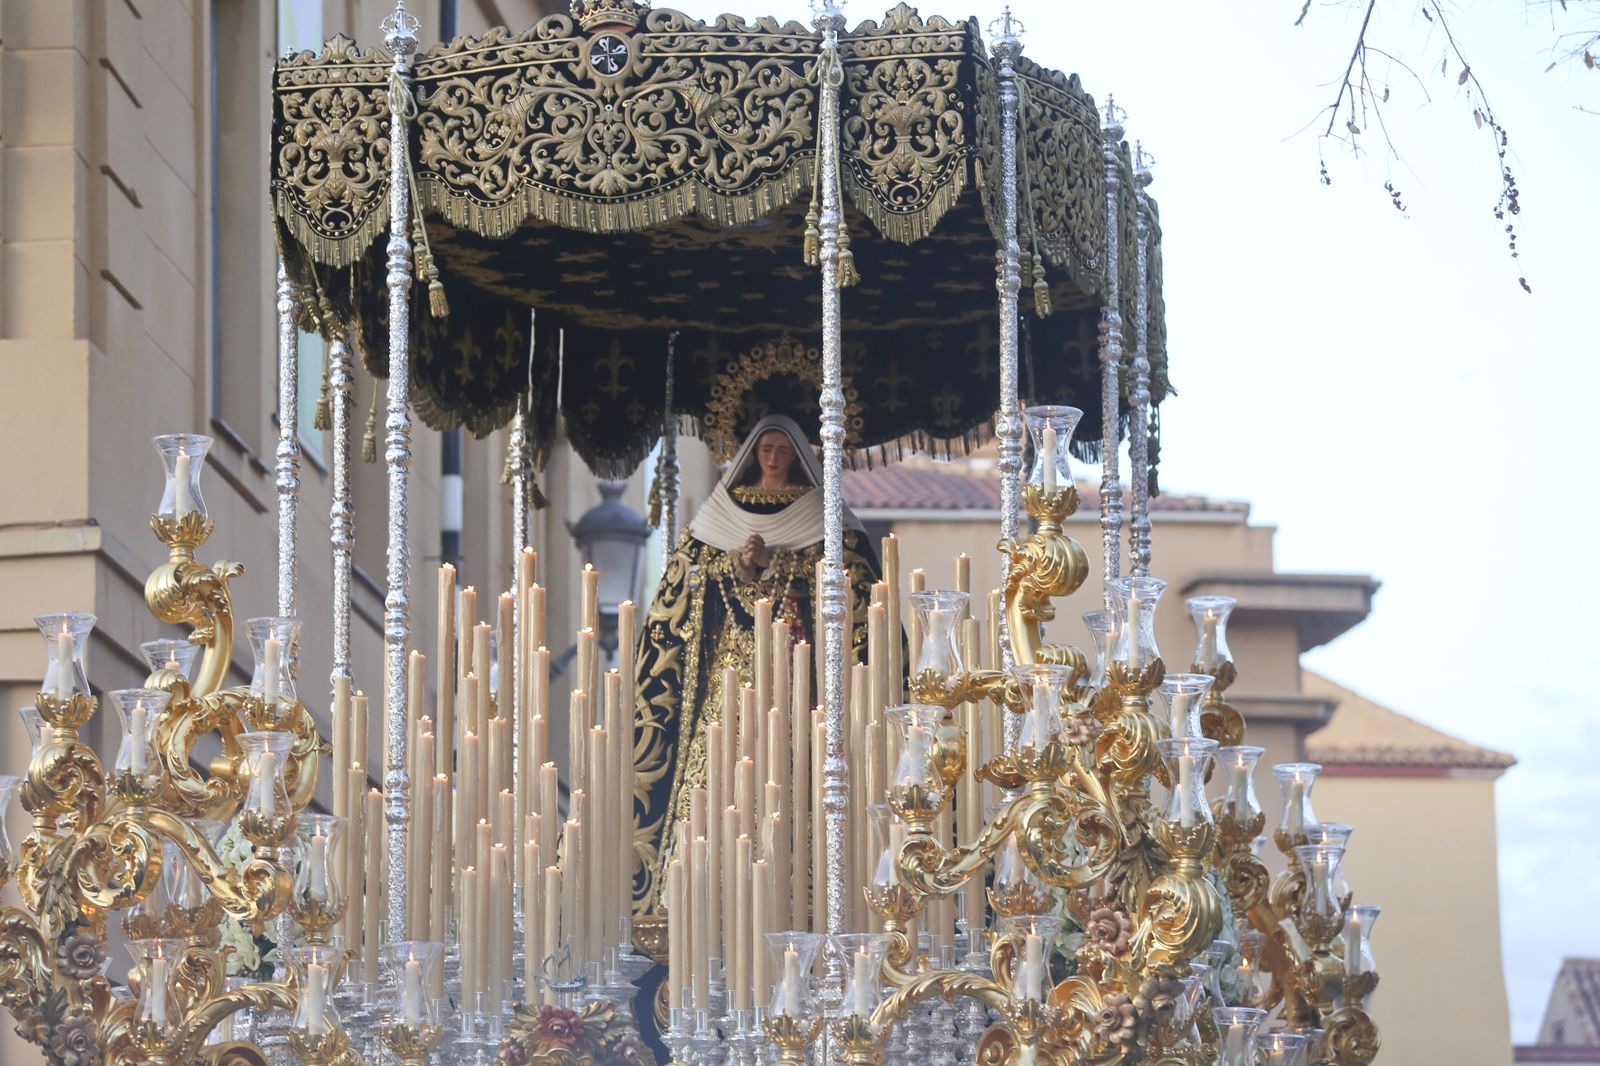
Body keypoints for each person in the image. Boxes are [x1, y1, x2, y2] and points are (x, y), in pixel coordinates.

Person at [630, 415, 880, 911]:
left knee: (791, 775)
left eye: (781, 450)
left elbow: (852, 588)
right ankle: (699, 886)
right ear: (750, 455)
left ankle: (797, 884)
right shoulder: (717, 516)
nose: (771, 457)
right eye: (763, 448)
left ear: (796, 456)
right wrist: (735, 566)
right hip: (725, 678)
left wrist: (778, 566)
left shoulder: (822, 519)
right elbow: (681, 589)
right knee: (714, 777)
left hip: (792, 678)